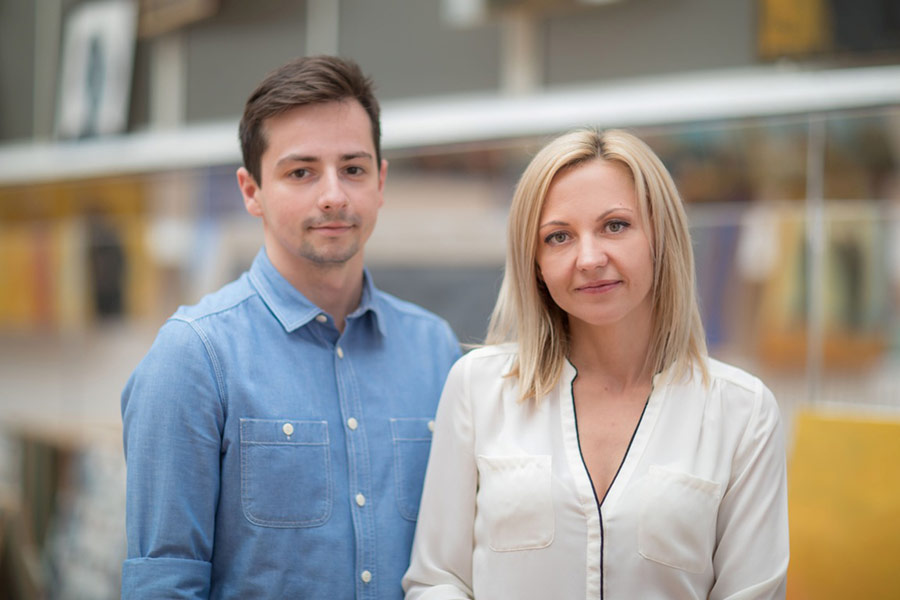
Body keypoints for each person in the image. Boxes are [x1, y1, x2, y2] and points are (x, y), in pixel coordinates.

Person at [121, 55, 461, 599]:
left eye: (353, 169)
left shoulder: (436, 350)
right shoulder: (194, 356)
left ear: (380, 182)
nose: (334, 195)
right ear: (250, 190)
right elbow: (165, 582)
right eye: (301, 172)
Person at [403, 128, 789, 599]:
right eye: (558, 236)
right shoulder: (479, 387)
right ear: (535, 264)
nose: (588, 258)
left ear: (661, 237)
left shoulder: (744, 412)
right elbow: (438, 580)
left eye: (615, 226)